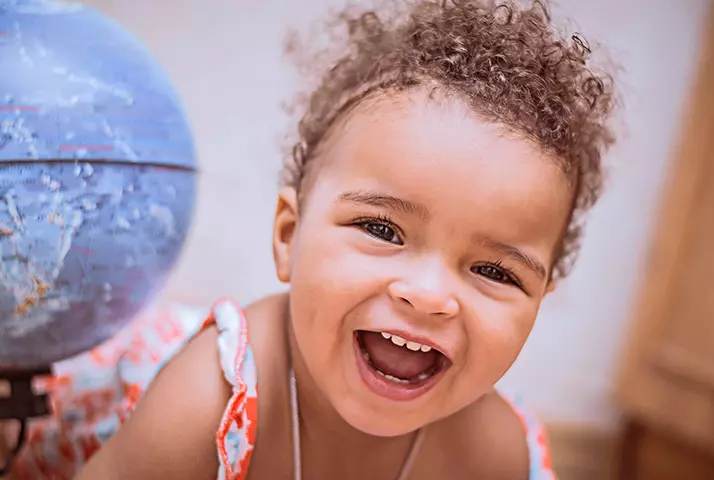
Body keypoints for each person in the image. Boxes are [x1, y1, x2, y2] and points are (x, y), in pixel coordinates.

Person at [8, 0, 616, 478]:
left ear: (540, 300)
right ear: (288, 236)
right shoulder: (206, 405)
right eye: (383, 229)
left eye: (495, 272)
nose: (429, 295)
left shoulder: (492, 455)